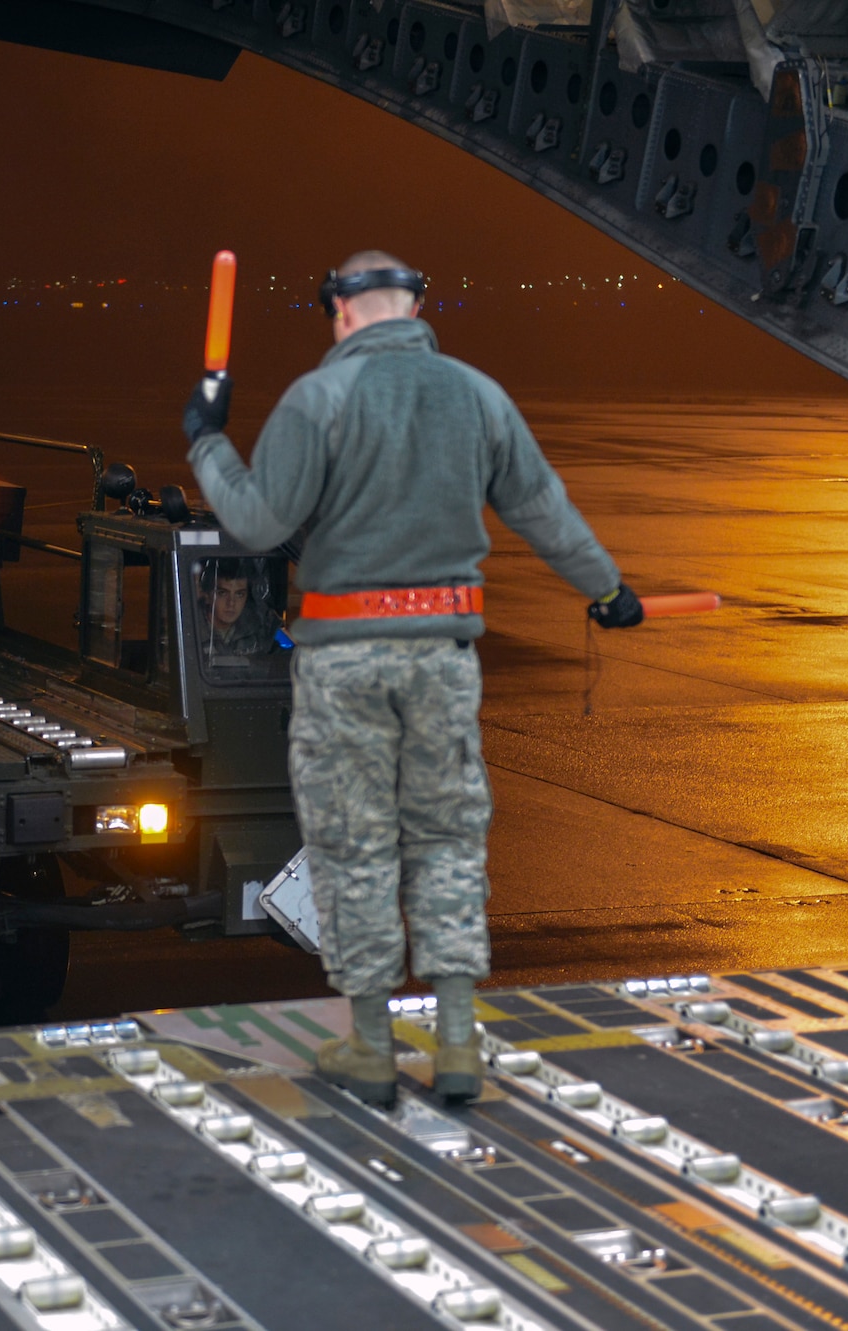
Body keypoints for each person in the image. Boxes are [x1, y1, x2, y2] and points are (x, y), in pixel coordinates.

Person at [182, 250, 643, 1107]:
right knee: (446, 840)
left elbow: (255, 520)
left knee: (353, 844)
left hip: (344, 661)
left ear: (342, 315)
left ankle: (370, 1045)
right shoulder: (476, 396)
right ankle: (460, 1040)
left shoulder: (316, 401)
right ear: (417, 310)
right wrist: (607, 589)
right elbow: (544, 508)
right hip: (441, 660)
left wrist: (209, 441)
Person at [196, 557, 280, 658]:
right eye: (222, 593)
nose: (231, 603)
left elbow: (288, 656)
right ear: (207, 596)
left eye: (239, 594)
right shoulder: (190, 629)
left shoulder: (260, 627)